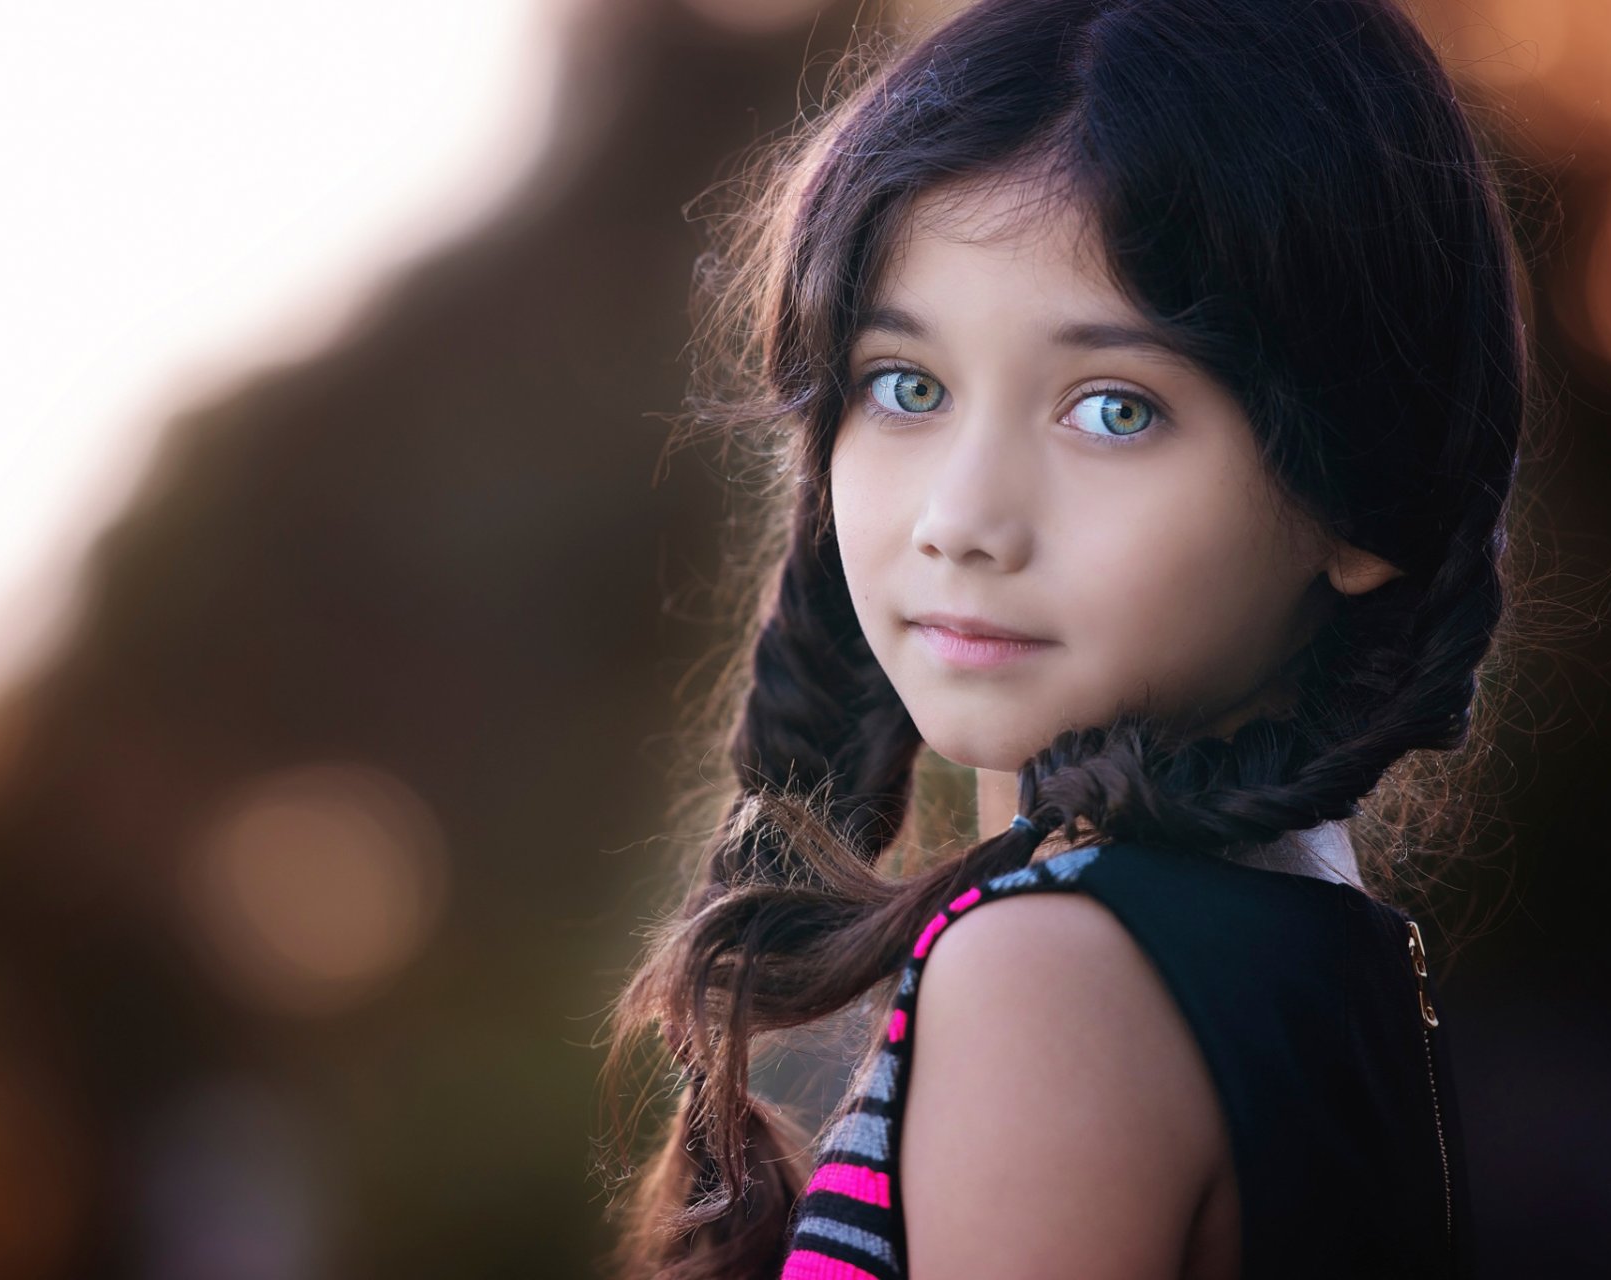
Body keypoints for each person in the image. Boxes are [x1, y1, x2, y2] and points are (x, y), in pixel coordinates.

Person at [596, 0, 1529, 1276]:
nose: (963, 518)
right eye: (904, 385)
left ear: (1367, 492)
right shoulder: (1333, 956)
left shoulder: (1048, 976)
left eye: (1112, 407)